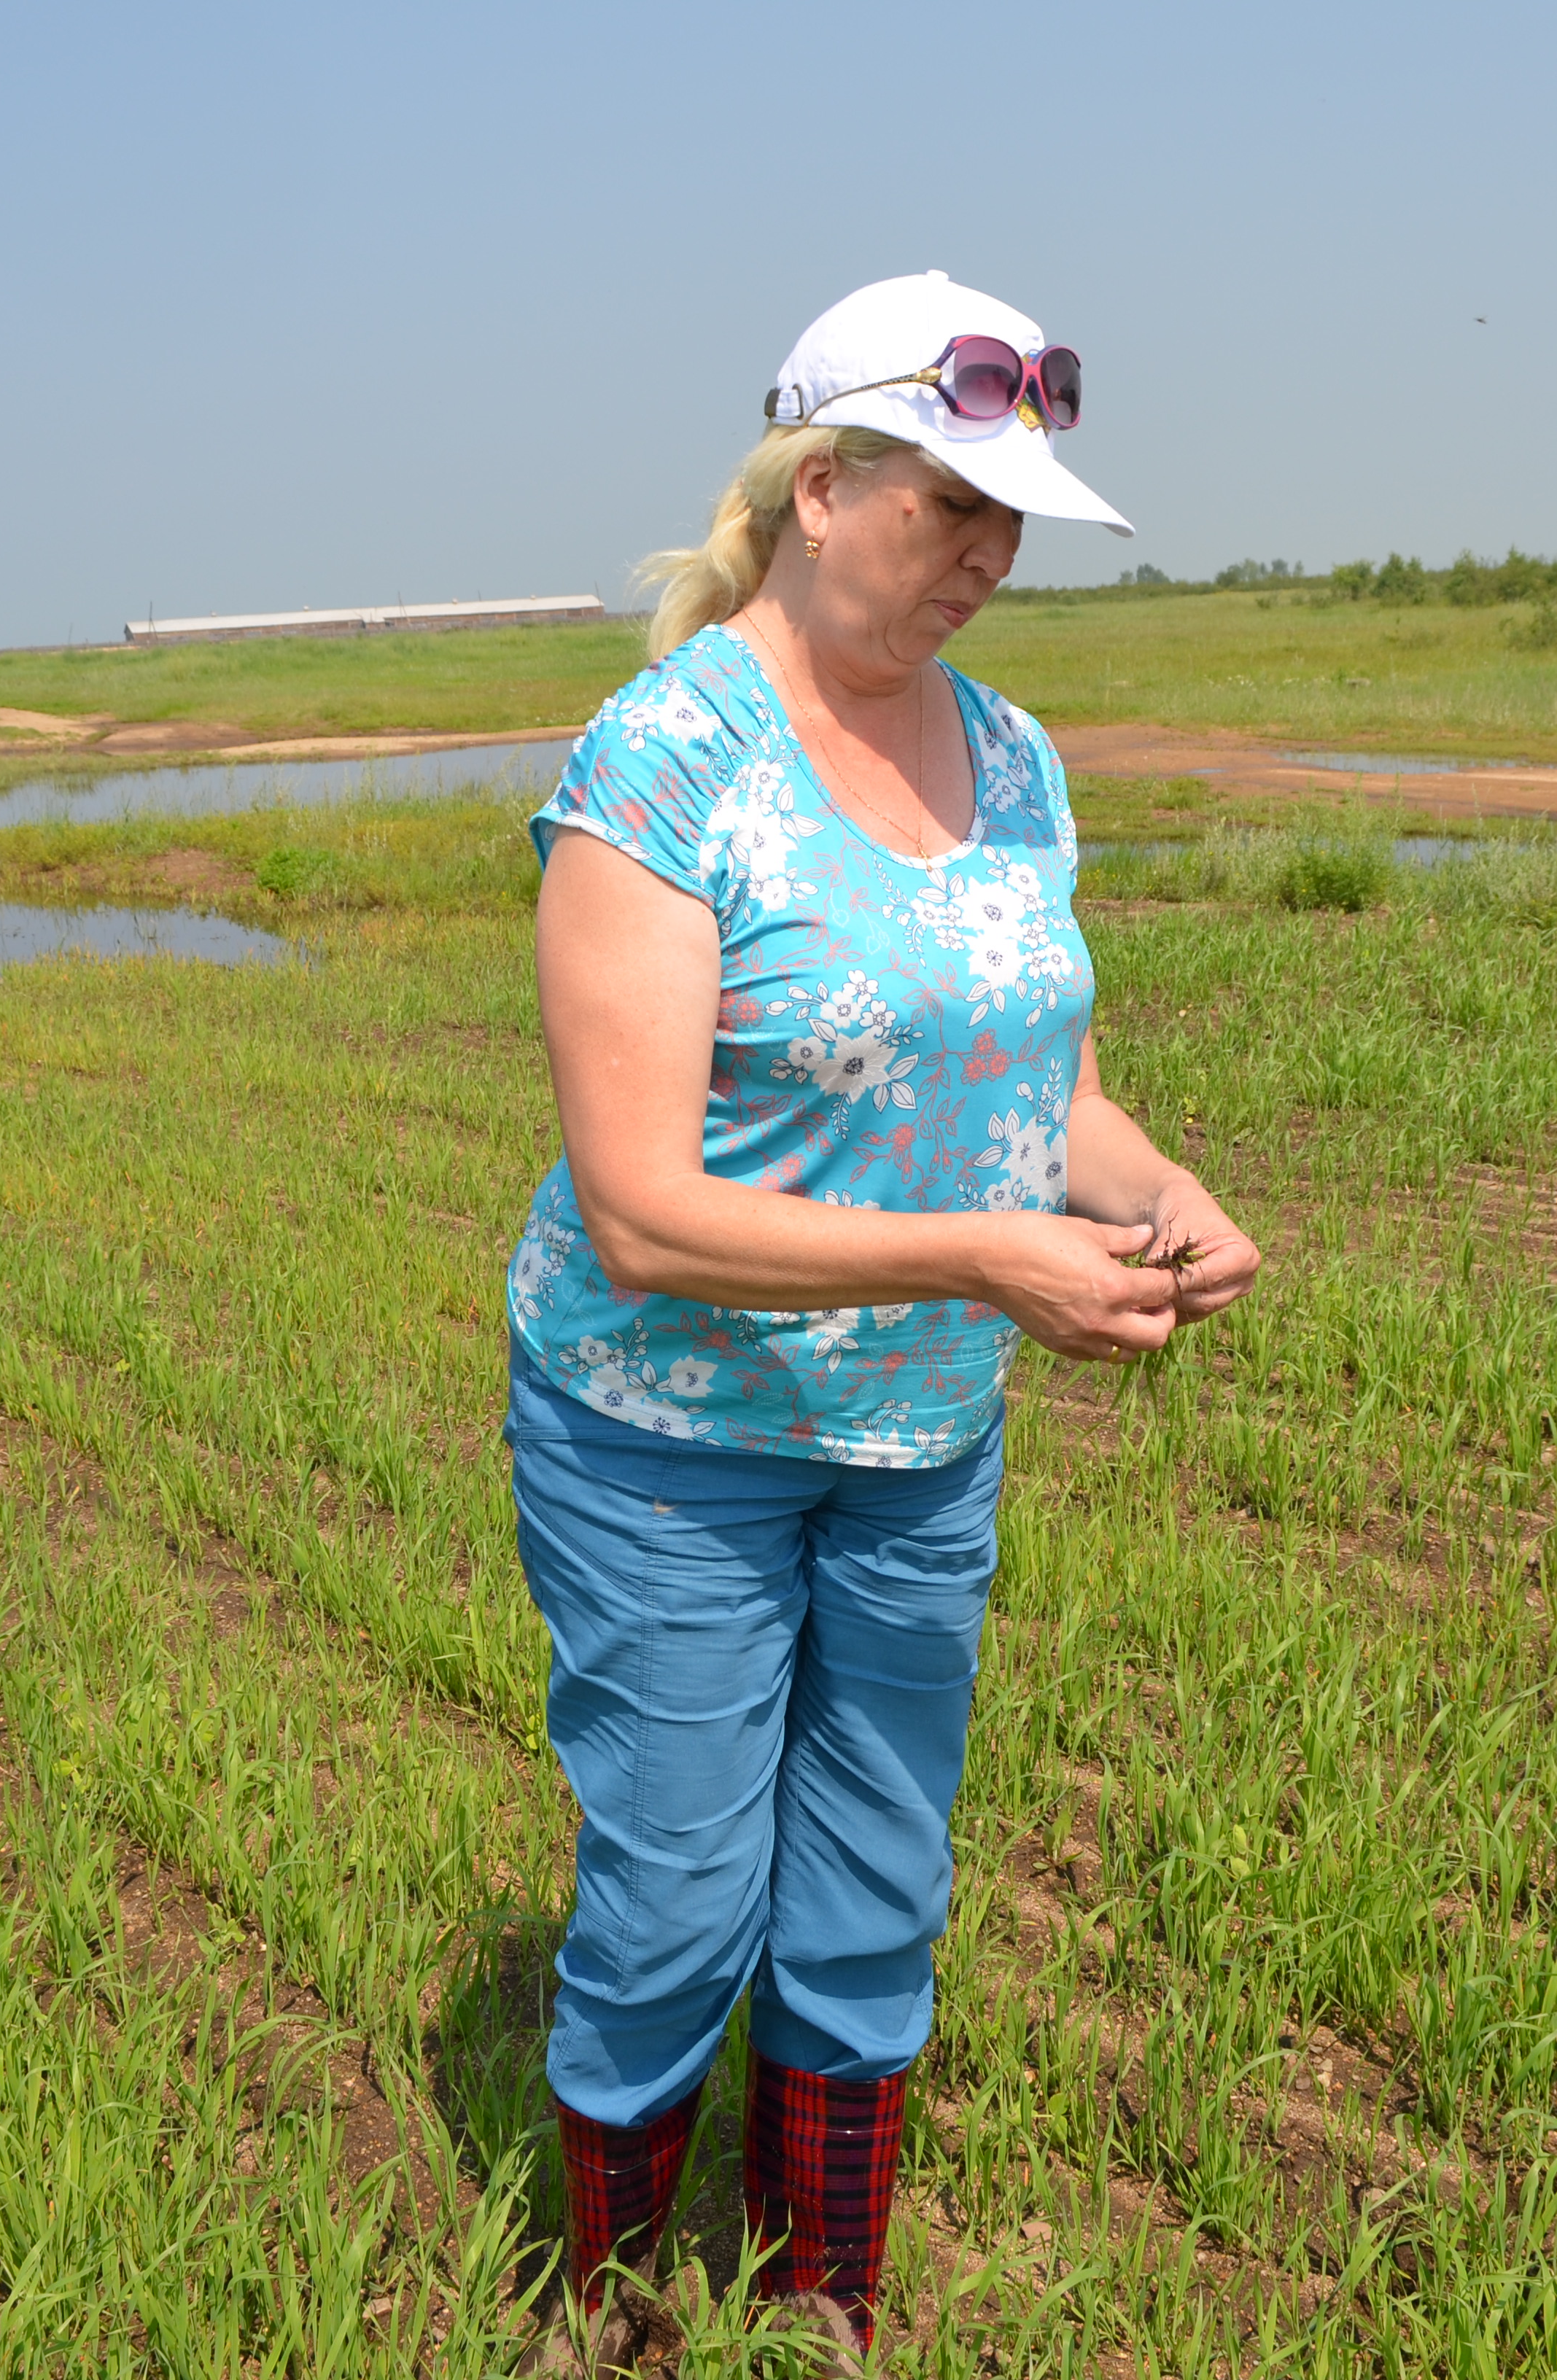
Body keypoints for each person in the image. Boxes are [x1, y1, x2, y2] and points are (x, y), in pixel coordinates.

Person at [504, 271, 1258, 2369]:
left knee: (874, 1891)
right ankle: (607, 2313)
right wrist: (993, 1256)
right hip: (673, 1440)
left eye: (1013, 520)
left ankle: (821, 2303)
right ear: (819, 488)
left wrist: (1158, 1196)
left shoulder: (1013, 761)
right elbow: (648, 1215)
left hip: (920, 1439)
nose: (991, 555)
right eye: (950, 506)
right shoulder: (665, 768)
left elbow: (1037, 1091)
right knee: (671, 1901)